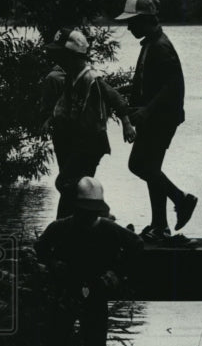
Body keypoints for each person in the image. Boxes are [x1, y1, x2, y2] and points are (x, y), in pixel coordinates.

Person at [35, 177, 143, 346]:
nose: (88, 217)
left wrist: (117, 272)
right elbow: (40, 249)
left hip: (95, 294)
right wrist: (54, 264)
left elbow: (136, 245)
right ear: (75, 209)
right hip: (66, 294)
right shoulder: (59, 228)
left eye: (92, 212)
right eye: (85, 212)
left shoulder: (108, 229)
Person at [116, 0, 197, 241]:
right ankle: (160, 225)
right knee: (152, 169)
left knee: (139, 165)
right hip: (156, 118)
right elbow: (147, 83)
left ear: (146, 19)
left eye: (133, 21)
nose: (129, 26)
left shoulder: (160, 46)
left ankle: (181, 199)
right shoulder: (152, 43)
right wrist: (122, 92)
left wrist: (147, 110)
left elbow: (172, 86)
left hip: (162, 119)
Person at [40, 28, 136, 218]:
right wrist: (50, 120)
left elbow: (115, 97)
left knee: (65, 182)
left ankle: (101, 212)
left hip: (92, 142)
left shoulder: (90, 78)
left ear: (72, 56)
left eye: (61, 55)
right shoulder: (71, 77)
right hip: (81, 141)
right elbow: (64, 105)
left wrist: (126, 123)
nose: (58, 60)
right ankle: (71, 222)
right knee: (75, 183)